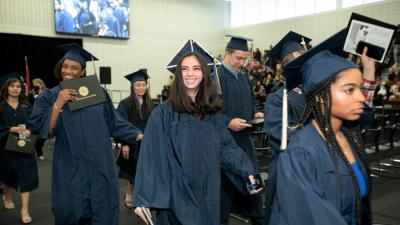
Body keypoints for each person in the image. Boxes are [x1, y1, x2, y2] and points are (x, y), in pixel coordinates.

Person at [133, 40, 262, 225]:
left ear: (204, 73)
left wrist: (247, 170)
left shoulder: (212, 113)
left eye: (196, 68)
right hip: (177, 195)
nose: (190, 74)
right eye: (184, 69)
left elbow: (227, 148)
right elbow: (151, 156)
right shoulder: (163, 114)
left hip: (209, 191)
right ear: (178, 74)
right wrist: (143, 198)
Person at [29, 43, 142, 225]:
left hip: (100, 163)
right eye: (65, 66)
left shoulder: (97, 93)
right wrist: (59, 102)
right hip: (70, 164)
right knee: (70, 210)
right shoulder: (49, 96)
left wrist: (139, 135)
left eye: (74, 68)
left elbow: (115, 122)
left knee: (103, 210)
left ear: (82, 72)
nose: (69, 71)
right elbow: (46, 130)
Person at [269, 30, 372, 225]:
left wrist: (368, 70)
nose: (360, 97)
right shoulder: (301, 152)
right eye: (349, 90)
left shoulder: (348, 137)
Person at [216, 35, 264, 225]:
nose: (242, 63)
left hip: (244, 139)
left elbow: (251, 101)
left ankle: (258, 218)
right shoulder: (217, 77)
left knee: (253, 180)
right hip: (225, 142)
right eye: (238, 58)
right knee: (226, 188)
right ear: (227, 53)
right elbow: (211, 111)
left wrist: (256, 112)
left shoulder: (243, 77)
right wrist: (228, 122)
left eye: (245, 59)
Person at [0, 74, 38, 224]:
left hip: (24, 147)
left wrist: (30, 130)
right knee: (6, 173)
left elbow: (34, 123)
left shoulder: (26, 106)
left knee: (26, 175)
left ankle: (25, 210)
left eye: (18, 86)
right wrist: (10, 129)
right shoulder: (1, 106)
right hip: (5, 148)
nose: (15, 89)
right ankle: (7, 195)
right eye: (12, 86)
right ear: (6, 88)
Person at [116, 70, 153, 209]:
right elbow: (120, 124)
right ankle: (130, 193)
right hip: (131, 142)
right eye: (138, 85)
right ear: (132, 86)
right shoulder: (125, 104)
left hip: (146, 142)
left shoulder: (149, 103)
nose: (141, 88)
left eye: (143, 85)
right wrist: (123, 144)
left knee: (144, 171)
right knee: (132, 171)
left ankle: (142, 196)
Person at [28, 78, 47, 161]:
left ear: (41, 84)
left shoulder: (47, 93)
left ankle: (37, 146)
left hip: (45, 117)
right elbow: (29, 104)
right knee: (35, 134)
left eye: (37, 84)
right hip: (35, 117)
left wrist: (40, 93)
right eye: (34, 84)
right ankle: (40, 154)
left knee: (43, 136)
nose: (35, 85)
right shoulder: (30, 94)